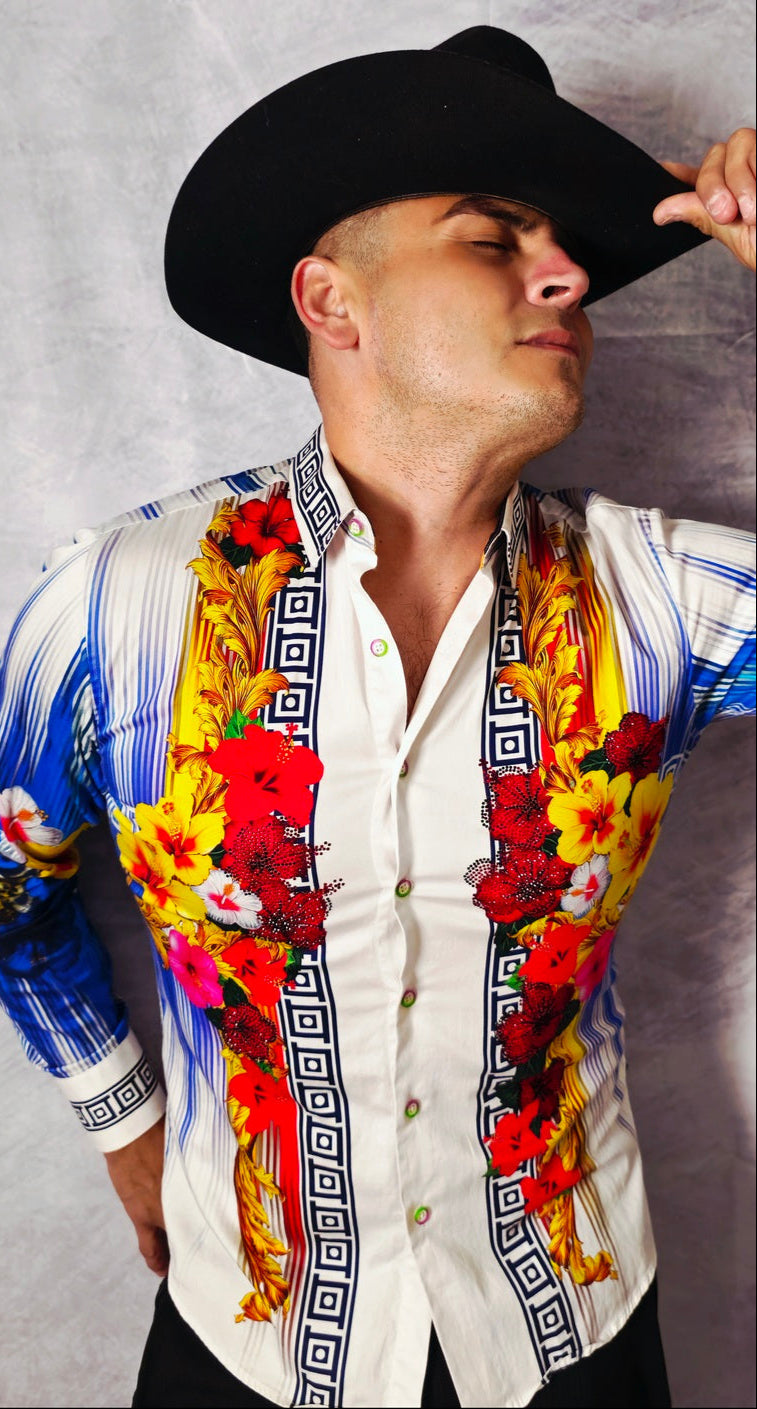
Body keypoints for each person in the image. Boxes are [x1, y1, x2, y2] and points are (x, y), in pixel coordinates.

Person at [0, 25, 754, 1409]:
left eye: (566, 254)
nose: (568, 276)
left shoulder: (664, 600)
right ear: (329, 301)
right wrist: (116, 1112)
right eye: (492, 239)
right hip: (249, 1331)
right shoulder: (115, 604)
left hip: (571, 1328)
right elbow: (9, 888)